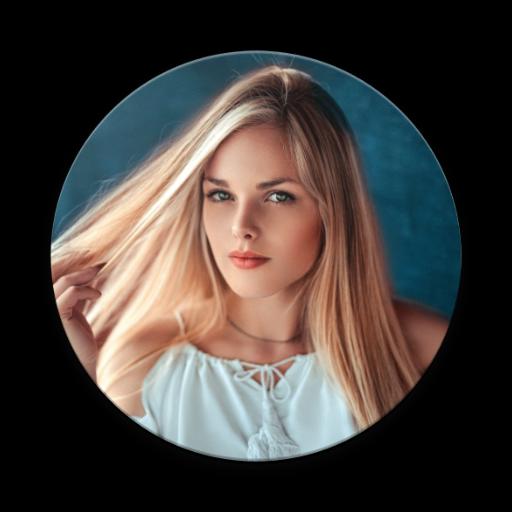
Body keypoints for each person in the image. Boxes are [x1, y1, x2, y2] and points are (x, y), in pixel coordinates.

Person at [51, 65, 449, 461]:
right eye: (221, 195)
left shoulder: (419, 348)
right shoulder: (143, 362)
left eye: (278, 197)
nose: (241, 227)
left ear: (333, 210)